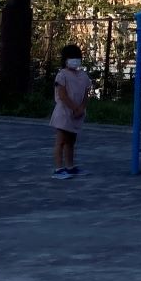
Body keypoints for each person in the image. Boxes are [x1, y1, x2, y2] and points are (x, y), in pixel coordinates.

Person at [50, 43, 91, 180]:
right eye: (72, 57)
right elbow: (62, 95)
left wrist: (81, 108)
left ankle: (70, 167)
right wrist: (75, 108)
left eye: (77, 57)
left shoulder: (83, 76)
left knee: (71, 141)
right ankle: (58, 169)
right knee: (61, 141)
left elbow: (86, 94)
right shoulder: (62, 75)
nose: (75, 60)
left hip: (77, 114)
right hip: (64, 113)